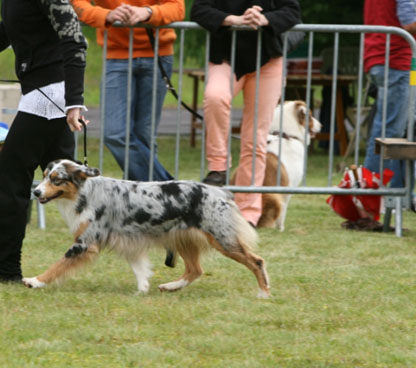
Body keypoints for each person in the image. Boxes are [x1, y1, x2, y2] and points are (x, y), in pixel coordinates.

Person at [0, 0, 87, 283]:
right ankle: (155, 227)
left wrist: (74, 101)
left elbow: (74, 39)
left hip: (49, 98)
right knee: (79, 185)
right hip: (44, 94)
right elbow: (11, 24)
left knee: (9, 180)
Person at [190, 0, 301, 226]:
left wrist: (264, 19)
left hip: (268, 58)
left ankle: (248, 214)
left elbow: (292, 11)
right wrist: (234, 20)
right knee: (215, 97)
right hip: (224, 55)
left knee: (256, 137)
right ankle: (218, 167)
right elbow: (199, 10)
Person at [71, 0, 184, 181]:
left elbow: (177, 8)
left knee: (145, 137)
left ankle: (148, 197)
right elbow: (76, 3)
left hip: (158, 53)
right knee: (114, 133)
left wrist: (148, 12)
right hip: (116, 55)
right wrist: (105, 15)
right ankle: (169, 188)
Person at [363, 0, 416, 190]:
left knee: (402, 130)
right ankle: (371, 192)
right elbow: (410, 22)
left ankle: (399, 192)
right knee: (390, 132)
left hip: (385, 57)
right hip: (397, 60)